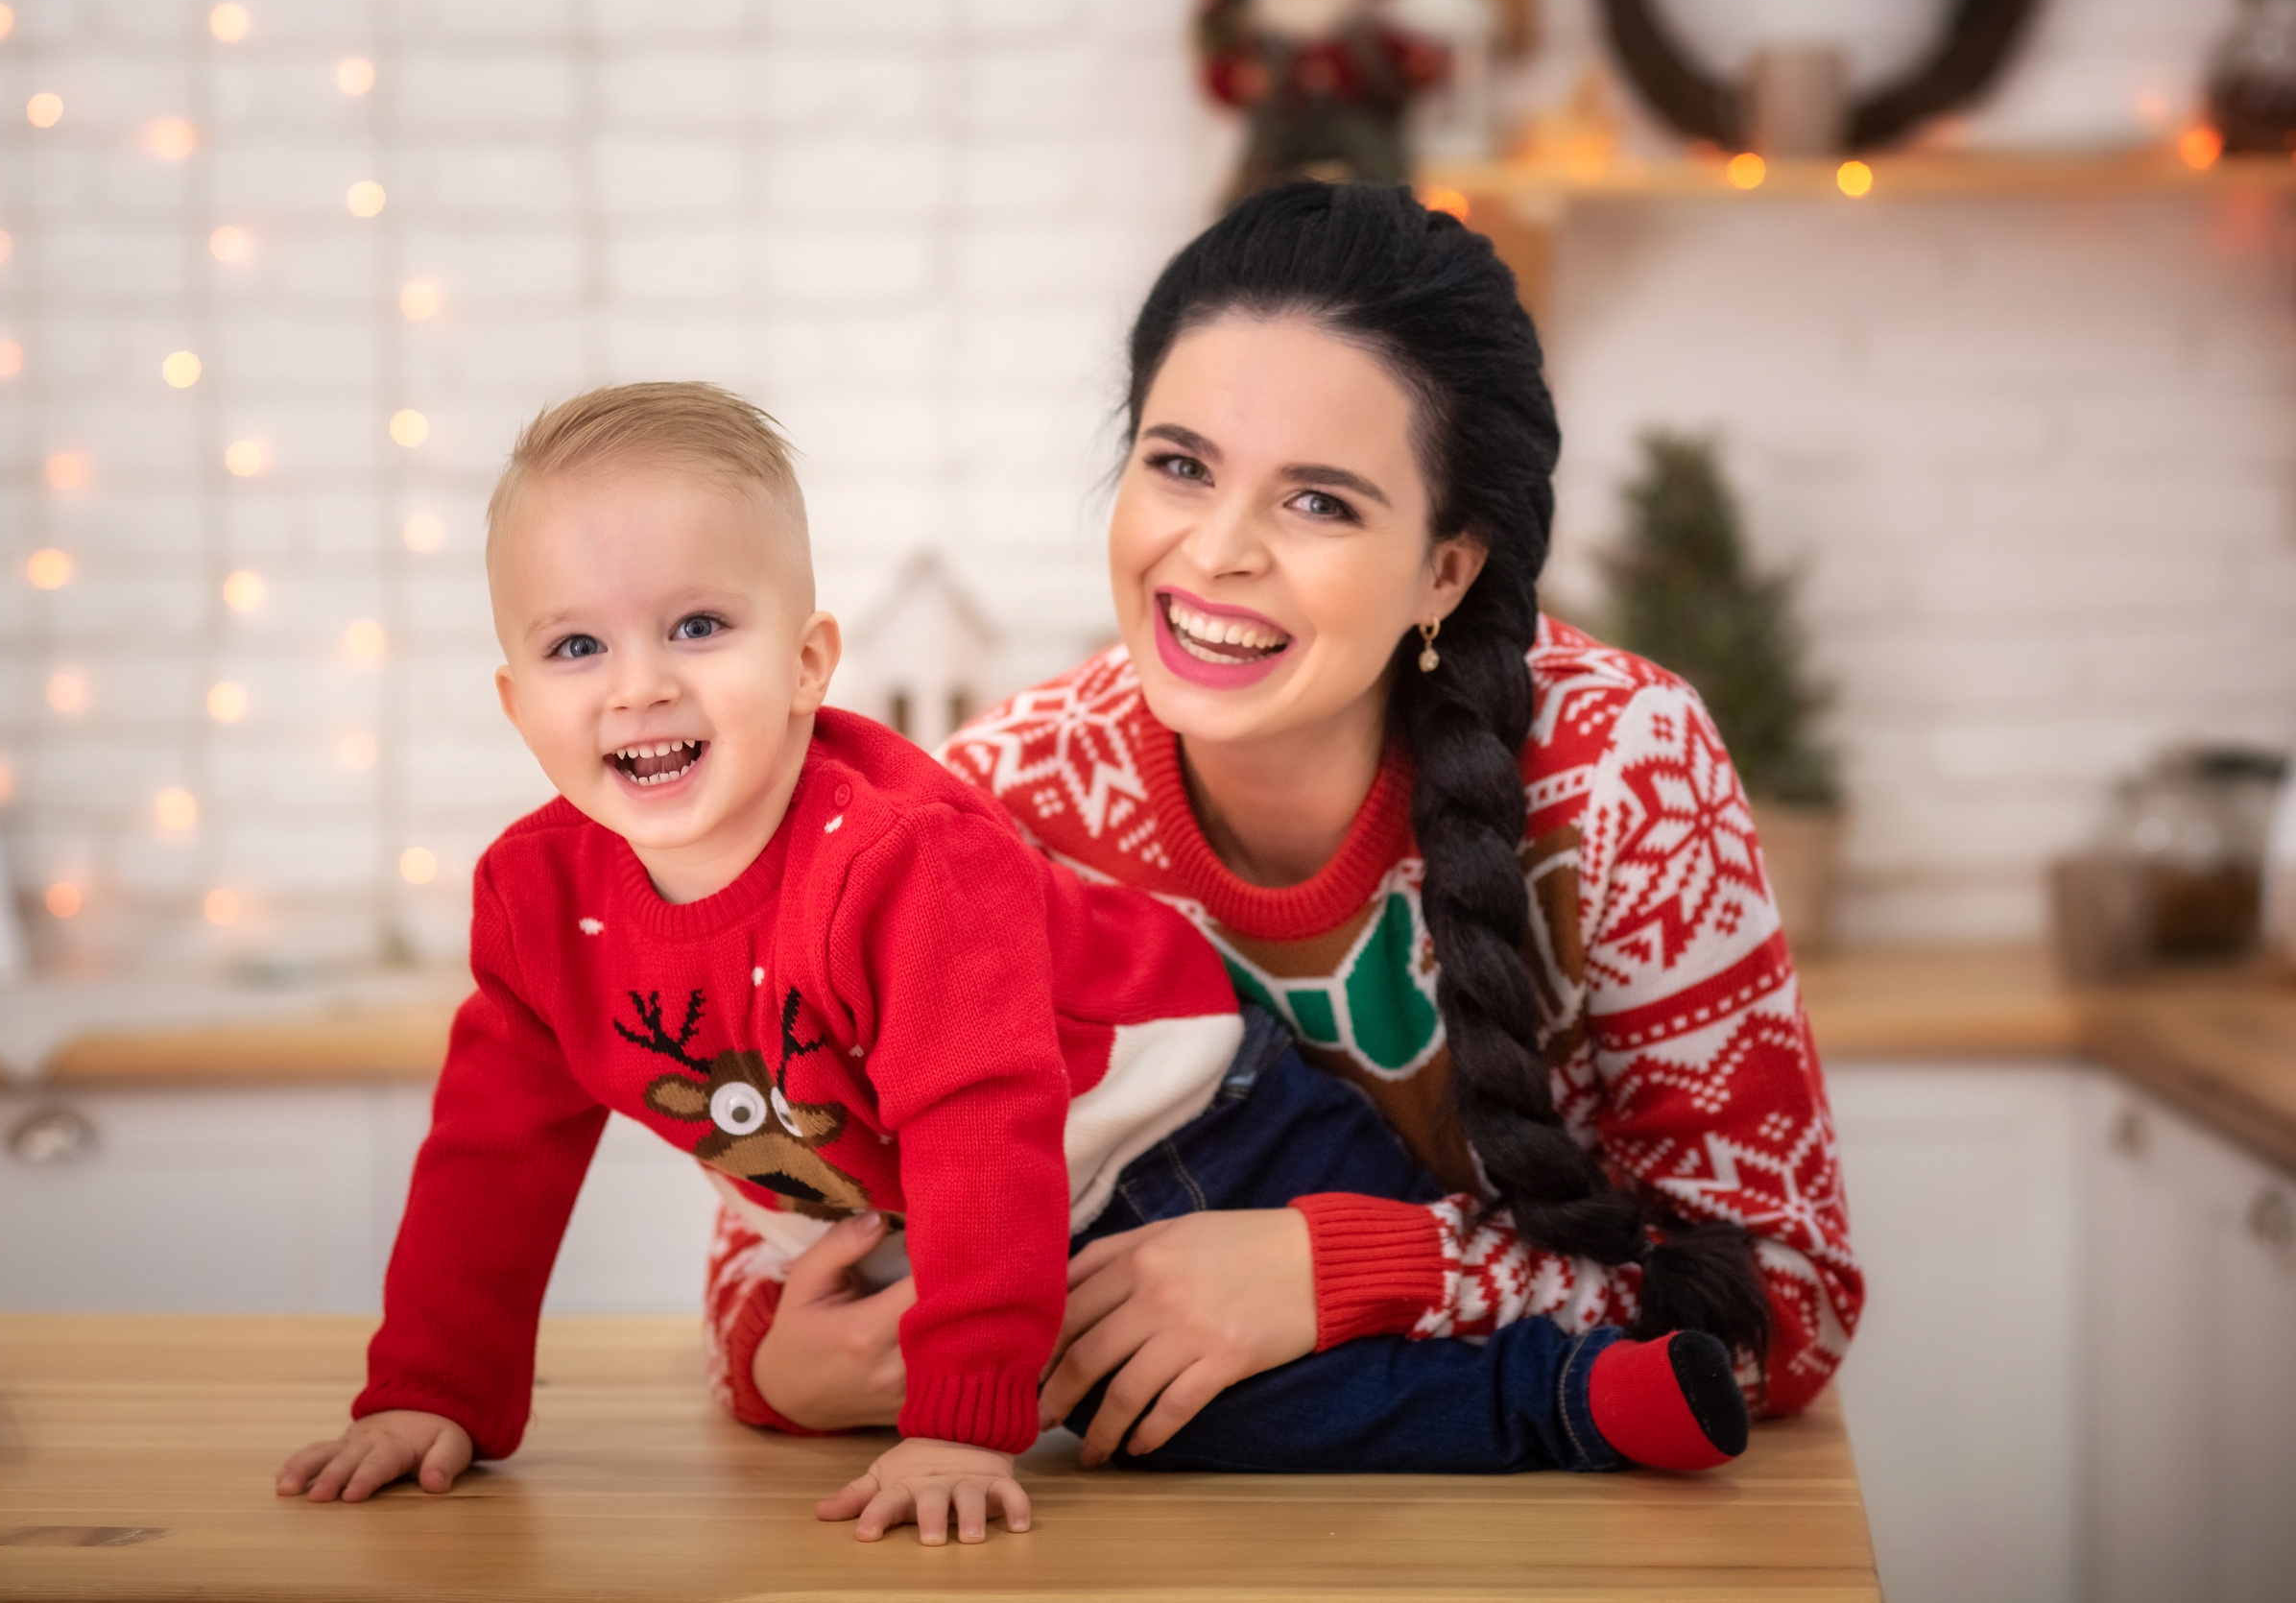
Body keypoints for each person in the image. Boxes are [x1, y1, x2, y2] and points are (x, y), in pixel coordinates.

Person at [271, 381, 1757, 1546]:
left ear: (807, 662)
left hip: (1186, 1112)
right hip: (974, 1222)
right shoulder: (536, 901)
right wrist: (431, 1390)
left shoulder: (904, 856)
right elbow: (489, 1162)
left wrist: (962, 1417)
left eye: (698, 626)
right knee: (1174, 1414)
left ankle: (1584, 1377)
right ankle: (1583, 1400)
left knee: (1302, 1336)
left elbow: (984, 1116)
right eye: (576, 649)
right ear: (515, 701)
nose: (641, 683)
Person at [711, 181, 1863, 1472]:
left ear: (1446, 568)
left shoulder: (1622, 771)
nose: (1216, 551)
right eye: (1180, 465)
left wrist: (1344, 1266)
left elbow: (1788, 1298)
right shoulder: (1000, 803)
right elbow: (764, 1251)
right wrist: (782, 1365)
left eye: (1320, 502)